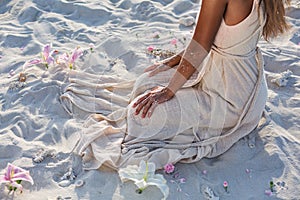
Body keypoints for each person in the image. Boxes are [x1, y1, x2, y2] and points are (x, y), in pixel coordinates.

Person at [61, 0, 291, 170]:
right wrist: (180, 58)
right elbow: (221, 38)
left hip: (229, 100)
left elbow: (201, 43)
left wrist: (169, 90)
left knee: (139, 116)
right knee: (146, 82)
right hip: (249, 86)